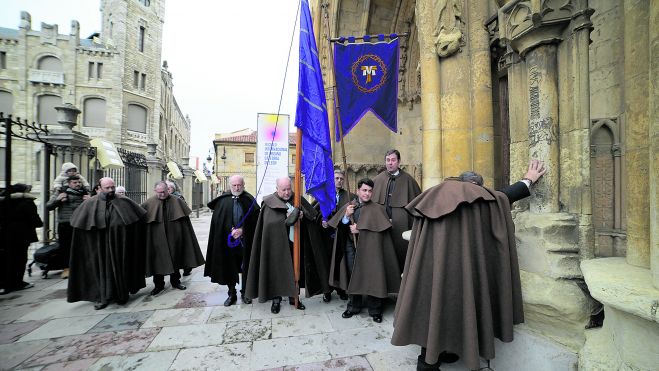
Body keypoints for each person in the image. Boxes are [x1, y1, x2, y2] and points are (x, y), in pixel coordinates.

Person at [391, 160, 547, 370]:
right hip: (459, 271)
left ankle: (436, 355)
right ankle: (428, 363)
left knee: (434, 307)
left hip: (433, 268)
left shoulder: (435, 194)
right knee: (451, 306)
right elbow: (501, 197)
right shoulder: (479, 199)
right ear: (476, 185)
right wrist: (528, 179)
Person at [245, 177, 329, 314]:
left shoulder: (297, 199)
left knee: (295, 269)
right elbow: (269, 225)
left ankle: (293, 297)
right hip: (275, 246)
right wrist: (287, 218)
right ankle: (276, 299)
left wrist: (302, 216)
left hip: (294, 244)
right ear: (277, 189)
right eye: (283, 190)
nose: (286, 192)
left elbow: (312, 217)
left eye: (289, 189)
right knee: (276, 271)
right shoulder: (269, 203)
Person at [328, 178, 401, 323]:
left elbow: (381, 232)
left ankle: (375, 309)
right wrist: (346, 216)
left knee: (374, 276)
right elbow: (340, 227)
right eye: (364, 190)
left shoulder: (378, 209)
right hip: (351, 247)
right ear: (358, 191)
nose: (367, 194)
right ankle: (354, 306)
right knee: (353, 275)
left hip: (371, 250)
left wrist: (360, 229)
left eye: (369, 191)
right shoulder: (350, 206)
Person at [67, 177, 146, 309]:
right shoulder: (90, 204)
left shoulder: (124, 201)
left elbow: (137, 222)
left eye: (112, 187)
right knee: (101, 271)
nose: (110, 190)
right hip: (99, 247)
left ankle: (122, 295)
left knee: (121, 268)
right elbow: (81, 227)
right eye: (107, 188)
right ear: (99, 188)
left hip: (120, 245)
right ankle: (102, 297)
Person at [141, 181, 205, 296]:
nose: (162, 194)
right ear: (155, 191)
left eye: (164, 192)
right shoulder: (149, 203)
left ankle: (176, 282)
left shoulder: (177, 201)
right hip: (156, 239)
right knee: (157, 261)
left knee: (175, 258)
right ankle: (158, 285)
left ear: (168, 190)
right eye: (159, 192)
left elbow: (186, 224)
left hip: (175, 237)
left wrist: (184, 237)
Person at [204, 175, 260, 306]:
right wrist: (229, 230)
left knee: (246, 265)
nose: (237, 187)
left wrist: (243, 230)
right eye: (234, 185)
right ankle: (231, 293)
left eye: (239, 185)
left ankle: (246, 292)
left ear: (243, 185)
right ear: (230, 186)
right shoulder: (222, 201)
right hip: (227, 241)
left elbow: (256, 221)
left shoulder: (249, 200)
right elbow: (218, 222)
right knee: (229, 266)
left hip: (246, 241)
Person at [372, 149, 421, 271]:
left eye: (393, 160)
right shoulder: (377, 180)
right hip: (382, 224)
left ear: (398, 162)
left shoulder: (409, 180)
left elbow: (418, 204)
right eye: (388, 160)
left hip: (402, 225)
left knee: (401, 250)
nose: (390, 163)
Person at [314, 169, 352, 302]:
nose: (339, 181)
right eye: (336, 178)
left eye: (341, 178)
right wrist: (322, 222)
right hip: (327, 237)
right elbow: (317, 214)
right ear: (332, 179)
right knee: (327, 263)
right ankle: (327, 290)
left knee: (340, 263)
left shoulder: (349, 197)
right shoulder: (324, 195)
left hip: (341, 235)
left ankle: (341, 289)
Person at [0, 184, 43, 295]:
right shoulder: (27, 202)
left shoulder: (4, 201)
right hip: (22, 236)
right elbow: (36, 221)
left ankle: (5, 282)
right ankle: (18, 282)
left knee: (7, 258)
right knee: (20, 259)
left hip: (5, 235)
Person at [46, 175, 90, 279]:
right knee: (65, 248)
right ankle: (67, 269)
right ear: (69, 183)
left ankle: (81, 268)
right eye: (75, 182)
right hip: (66, 225)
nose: (78, 184)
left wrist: (91, 199)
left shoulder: (84, 193)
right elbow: (49, 206)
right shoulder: (61, 192)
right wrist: (58, 199)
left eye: (79, 182)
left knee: (82, 247)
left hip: (80, 224)